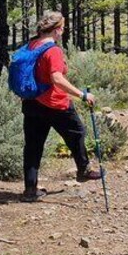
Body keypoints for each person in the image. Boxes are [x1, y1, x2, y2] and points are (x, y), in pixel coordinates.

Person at [21, 11, 101, 203]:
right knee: (77, 132)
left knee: (33, 146)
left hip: (31, 103)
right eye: (63, 28)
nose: (63, 32)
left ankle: (30, 189)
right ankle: (84, 169)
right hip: (55, 103)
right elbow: (57, 78)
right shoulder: (53, 50)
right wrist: (82, 95)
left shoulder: (31, 45)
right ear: (56, 30)